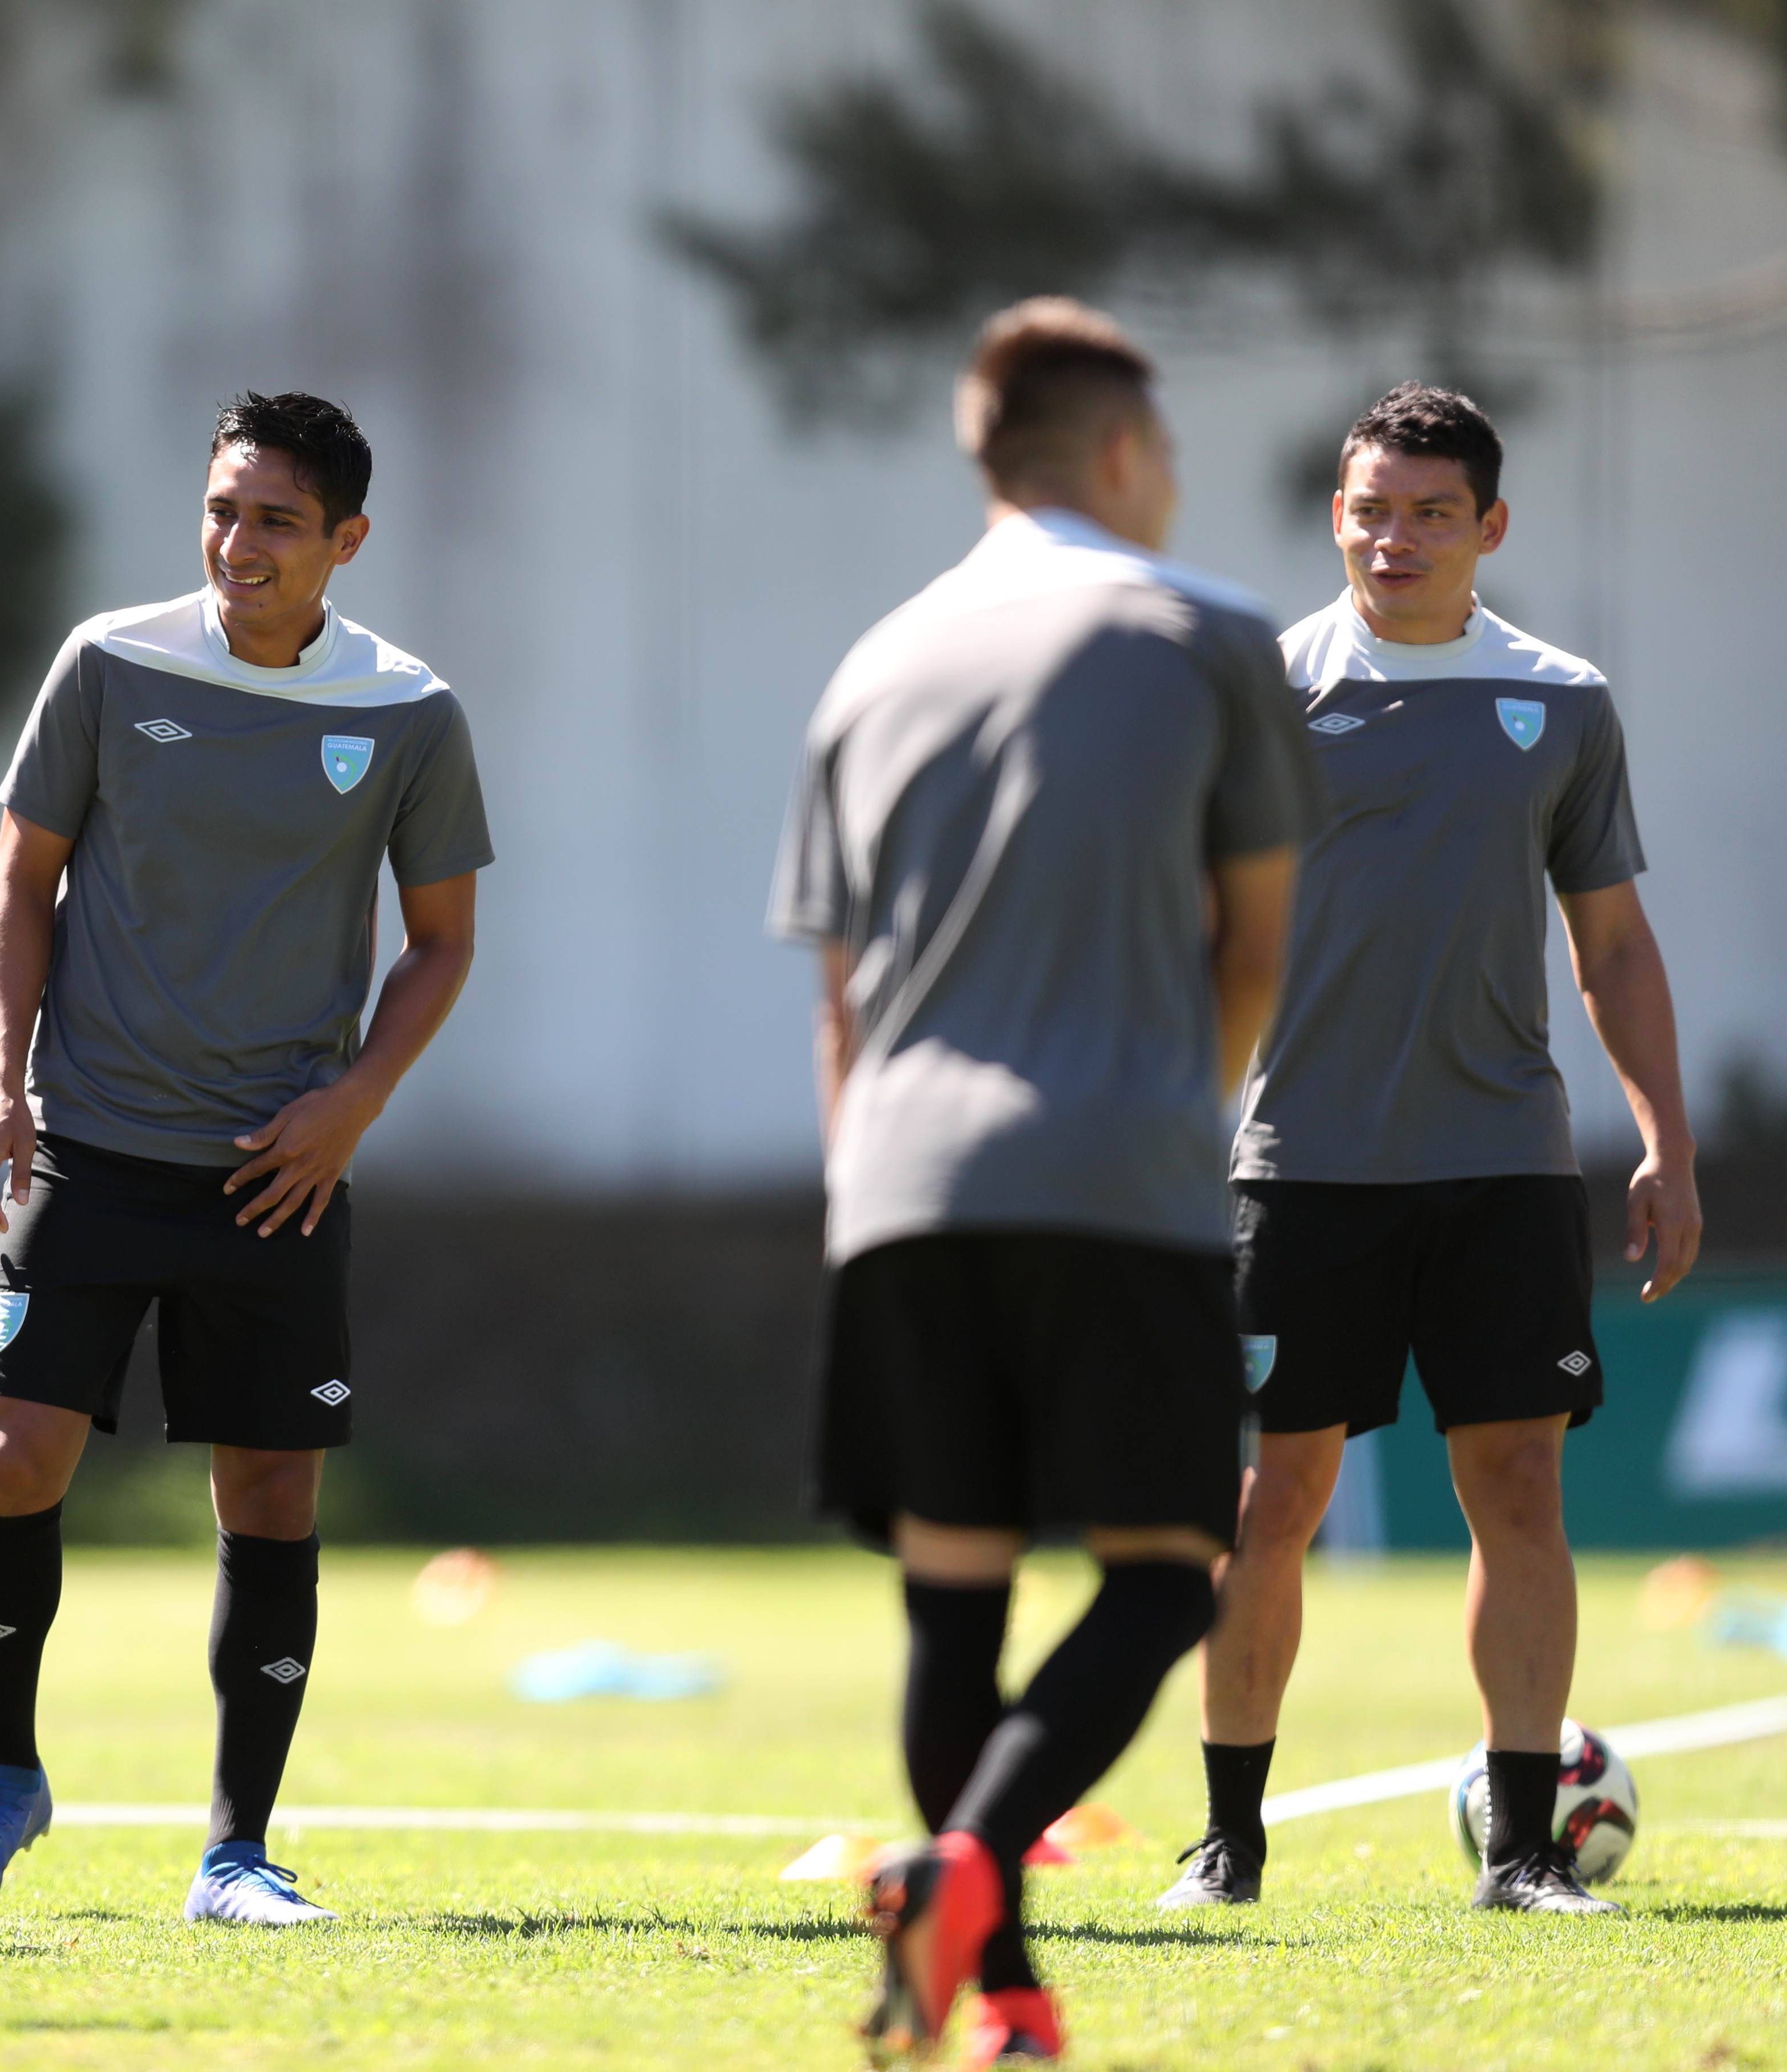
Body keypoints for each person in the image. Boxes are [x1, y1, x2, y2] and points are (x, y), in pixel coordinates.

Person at [773, 299, 1310, 2066]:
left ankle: (1003, 2003)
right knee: (1169, 1576)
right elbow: (1257, 946)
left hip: (903, 1193)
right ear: (1128, 454)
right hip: (1115, 1169)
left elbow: (840, 992)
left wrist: (866, 1188)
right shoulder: (1208, 632)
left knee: (956, 1596)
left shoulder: (871, 661)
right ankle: (971, 1868)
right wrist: (1177, 1096)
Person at [0, 391, 490, 1928]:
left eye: (277, 520)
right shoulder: (111, 664)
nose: (238, 543)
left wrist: (356, 1100)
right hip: (87, 1150)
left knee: (273, 1499)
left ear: (346, 542)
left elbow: (441, 948)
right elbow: (21, 879)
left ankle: (237, 1852)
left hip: (275, 1175)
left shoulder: (409, 713)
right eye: (224, 509)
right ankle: (5, 1779)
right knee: (13, 1460)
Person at [1163, 385, 1699, 1918]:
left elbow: (1613, 944)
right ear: (1336, 514)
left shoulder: (1564, 702)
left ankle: (1524, 1854)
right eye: (1368, 509)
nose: (1392, 539)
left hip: (1501, 1170)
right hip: (1301, 1164)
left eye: (1428, 512)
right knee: (1276, 1507)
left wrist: (1662, 1135)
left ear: (1491, 528)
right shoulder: (1260, 696)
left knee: (1519, 1494)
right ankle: (1228, 1845)